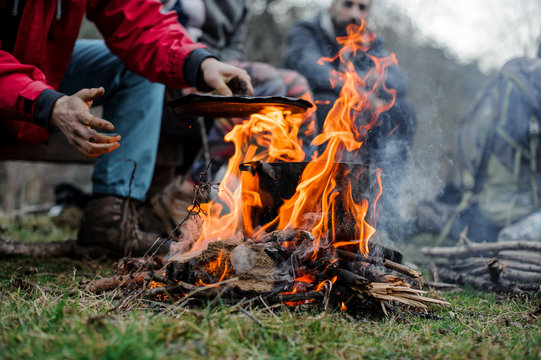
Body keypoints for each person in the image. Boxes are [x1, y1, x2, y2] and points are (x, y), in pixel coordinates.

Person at [0, 0, 253, 257]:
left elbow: (137, 19)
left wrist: (199, 63)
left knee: (133, 68)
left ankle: (110, 222)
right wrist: (45, 103)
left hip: (43, 64)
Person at [151, 0, 317, 233]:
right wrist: (194, 67)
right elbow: (156, 26)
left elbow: (233, 49)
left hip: (215, 70)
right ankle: (190, 186)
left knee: (296, 85)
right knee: (270, 82)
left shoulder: (239, 4)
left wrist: (221, 68)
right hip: (176, 64)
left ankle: (306, 181)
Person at [282, 0, 416, 242]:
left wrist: (370, 80)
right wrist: (355, 89)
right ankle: (315, 203)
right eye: (348, 4)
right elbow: (305, 65)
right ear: (333, 5)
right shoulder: (308, 30)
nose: (355, 14)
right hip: (318, 113)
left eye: (362, 8)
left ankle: (382, 213)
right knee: (324, 101)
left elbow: (400, 80)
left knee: (402, 112)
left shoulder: (371, 41)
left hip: (360, 116)